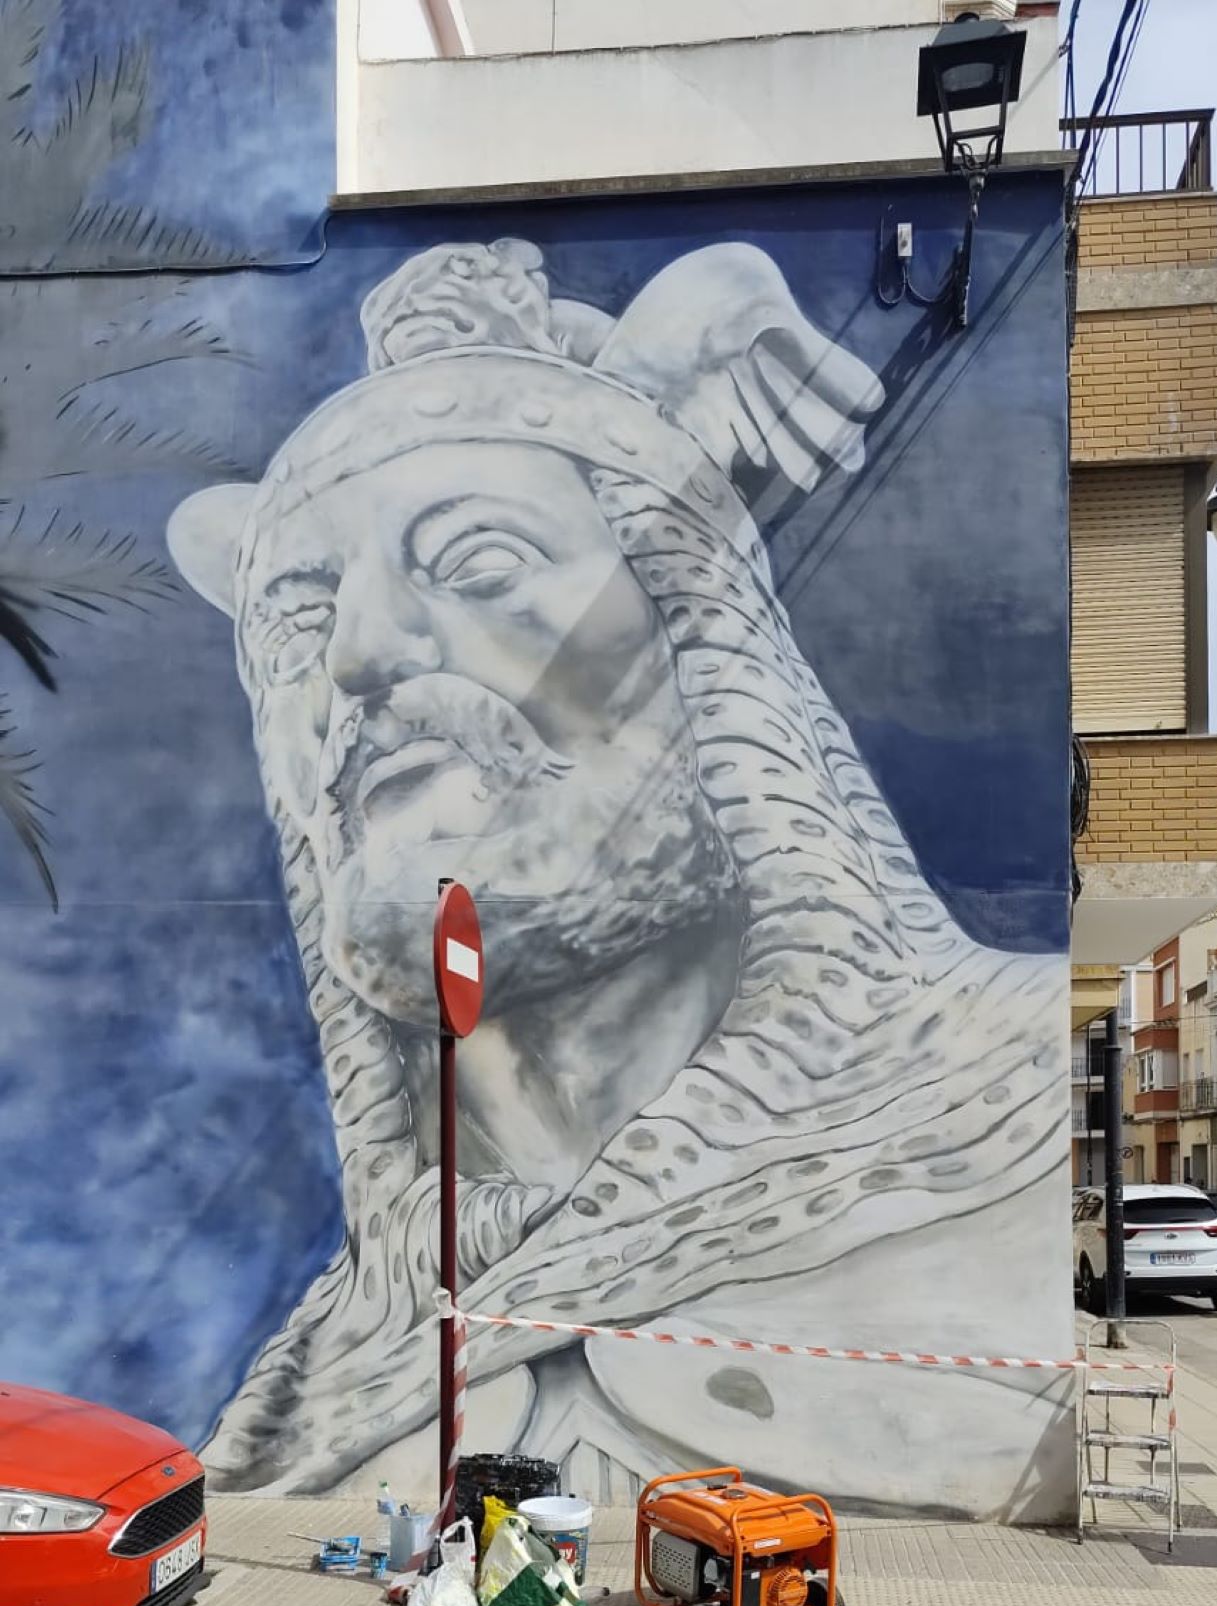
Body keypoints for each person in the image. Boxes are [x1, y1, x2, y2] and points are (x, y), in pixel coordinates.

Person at [168, 237, 1070, 1516]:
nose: (361, 657)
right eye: (304, 624)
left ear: (713, 657)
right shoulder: (333, 1358)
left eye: (479, 563)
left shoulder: (1009, 1115)